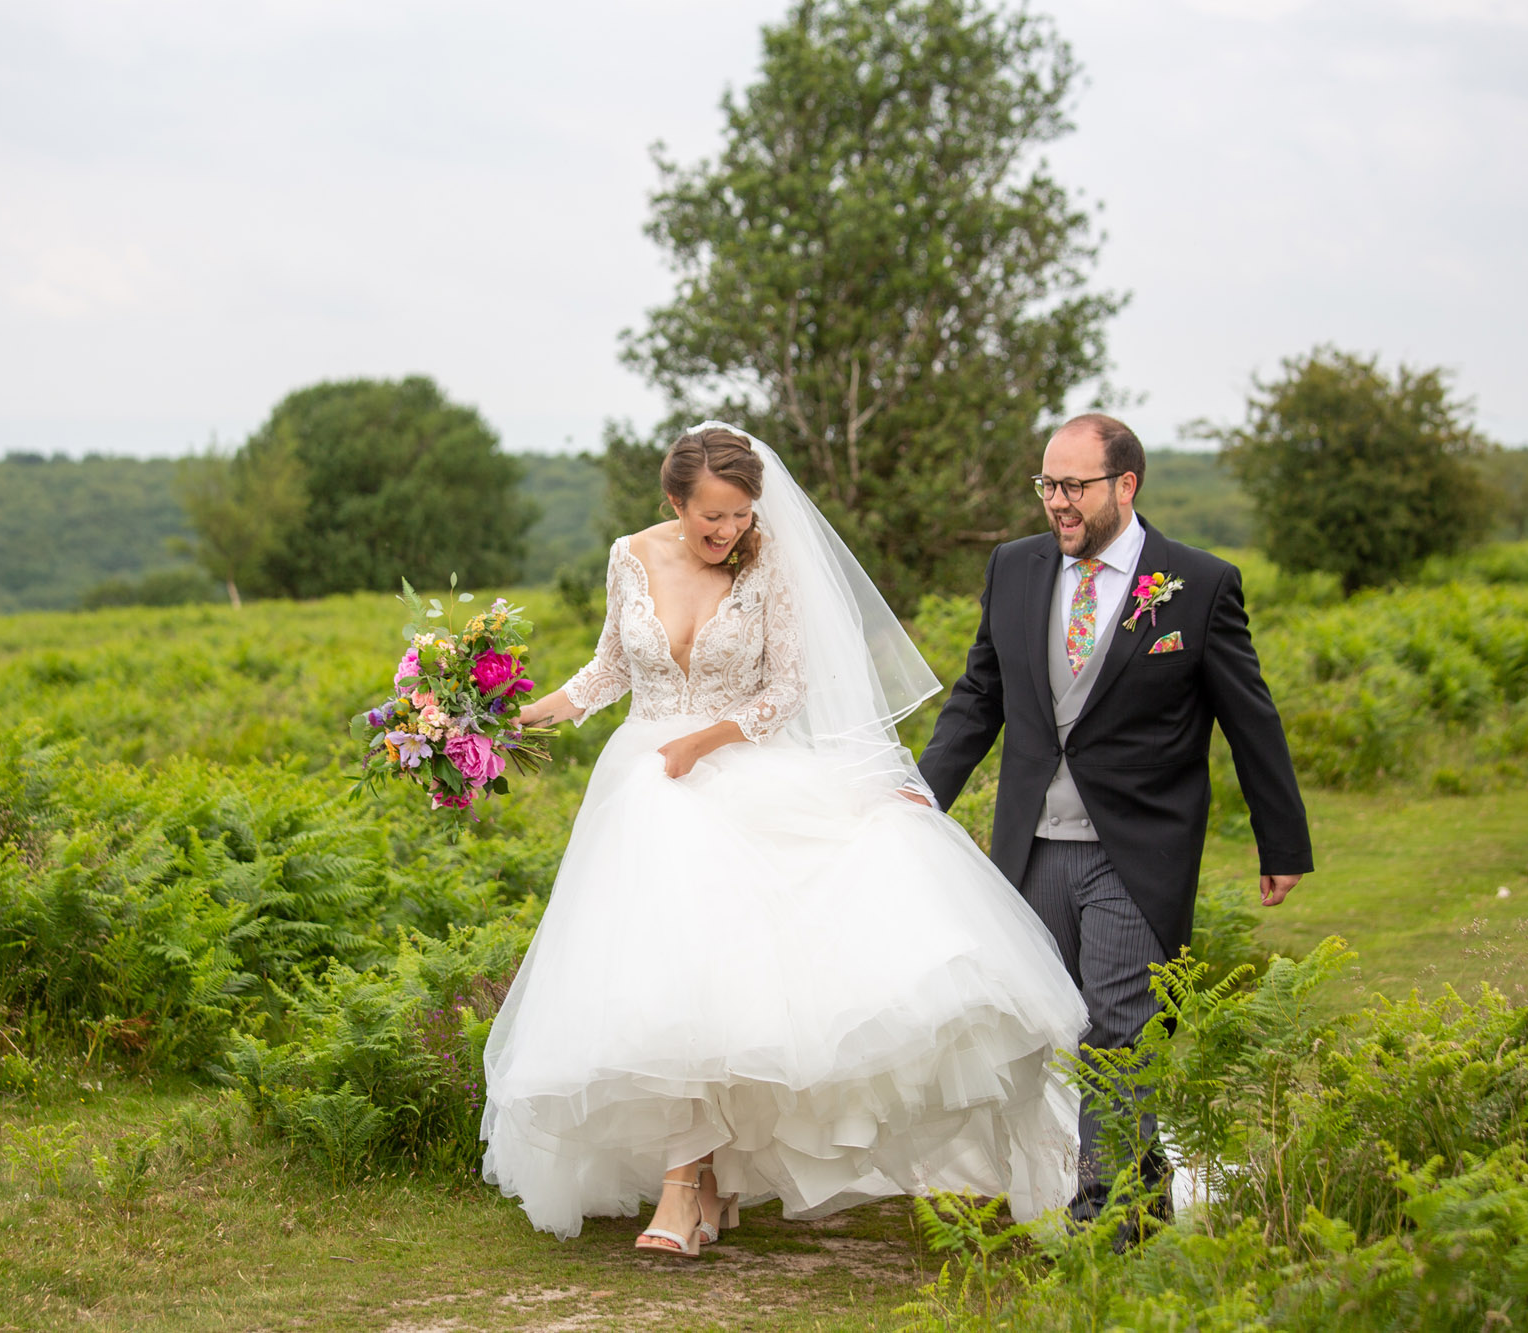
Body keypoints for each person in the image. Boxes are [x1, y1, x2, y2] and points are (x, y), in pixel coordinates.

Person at [484, 423, 1088, 1255]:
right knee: (665, 974)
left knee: (727, 978)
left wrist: (708, 740)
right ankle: (694, 1179)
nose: (727, 532)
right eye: (711, 519)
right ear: (674, 503)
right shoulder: (632, 555)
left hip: (735, 770)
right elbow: (608, 671)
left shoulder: (769, 562)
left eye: (739, 515)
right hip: (644, 781)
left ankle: (688, 1186)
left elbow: (787, 686)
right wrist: (514, 718)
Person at [915, 412, 1313, 1223]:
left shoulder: (1197, 584)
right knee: (1036, 1024)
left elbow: (1251, 717)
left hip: (1138, 851)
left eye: (1074, 487)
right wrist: (920, 799)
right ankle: (1085, 1180)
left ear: (1125, 485)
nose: (1057, 503)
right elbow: (979, 697)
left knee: (1120, 1030)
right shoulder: (1016, 567)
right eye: (1047, 485)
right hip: (1031, 848)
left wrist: (1282, 841)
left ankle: (1113, 1213)